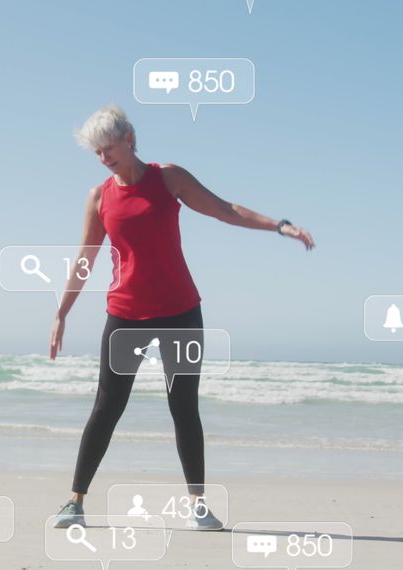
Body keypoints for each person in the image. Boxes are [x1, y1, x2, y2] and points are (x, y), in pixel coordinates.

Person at [49, 105, 315, 530]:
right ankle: (74, 502)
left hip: (180, 313)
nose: (103, 158)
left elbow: (223, 209)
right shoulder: (99, 197)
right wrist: (62, 312)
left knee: (184, 407)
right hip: (126, 315)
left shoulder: (167, 178)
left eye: (109, 148)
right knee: (106, 407)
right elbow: (86, 256)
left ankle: (197, 505)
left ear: (130, 140)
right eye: (96, 152)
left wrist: (278, 225)